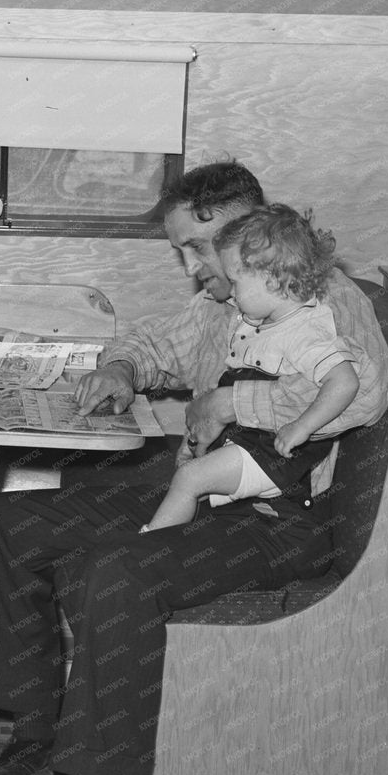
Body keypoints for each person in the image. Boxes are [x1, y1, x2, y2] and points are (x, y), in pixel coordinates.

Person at [0, 160, 388, 775]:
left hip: (275, 517)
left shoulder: (324, 296)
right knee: (9, 522)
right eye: (181, 251)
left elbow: (364, 393)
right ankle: (34, 727)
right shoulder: (224, 303)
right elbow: (156, 343)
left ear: (246, 231)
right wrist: (122, 368)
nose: (191, 268)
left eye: (196, 248)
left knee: (116, 572)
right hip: (207, 488)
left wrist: (232, 404)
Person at [143, 205, 360, 531]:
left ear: (271, 281)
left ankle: (150, 540)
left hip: (275, 453)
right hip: (249, 441)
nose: (231, 291)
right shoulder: (258, 321)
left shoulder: (306, 330)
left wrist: (302, 426)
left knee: (189, 479)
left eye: (236, 282)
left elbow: (344, 382)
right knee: (191, 475)